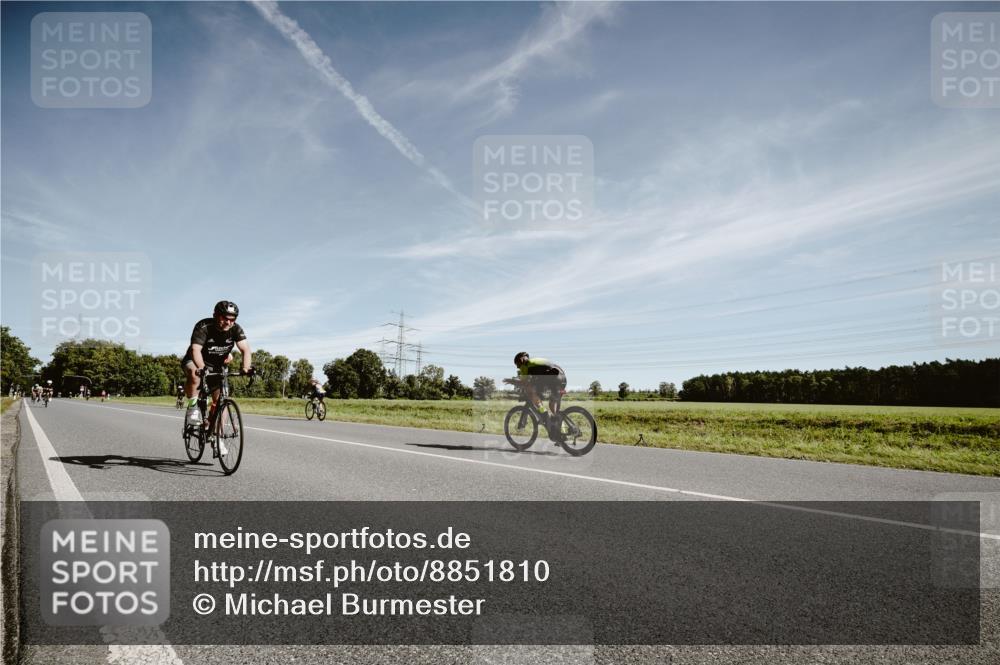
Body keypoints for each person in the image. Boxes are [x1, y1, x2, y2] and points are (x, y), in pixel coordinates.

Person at [181, 301, 254, 449]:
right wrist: (201, 367)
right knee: (194, 374)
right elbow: (195, 350)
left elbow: (246, 349)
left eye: (233, 319)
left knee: (221, 401)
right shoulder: (204, 327)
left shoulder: (235, 329)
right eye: (225, 318)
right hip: (196, 360)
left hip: (217, 366)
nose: (229, 322)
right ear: (215, 315)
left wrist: (246, 368)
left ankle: (217, 436)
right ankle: (192, 408)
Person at [513, 352, 566, 428]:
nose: (518, 367)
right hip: (562, 378)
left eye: (517, 364)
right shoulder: (536, 362)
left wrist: (512, 381)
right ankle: (560, 432)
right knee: (554, 410)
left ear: (521, 360)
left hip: (552, 378)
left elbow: (524, 383)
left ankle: (544, 413)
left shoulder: (525, 364)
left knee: (531, 392)